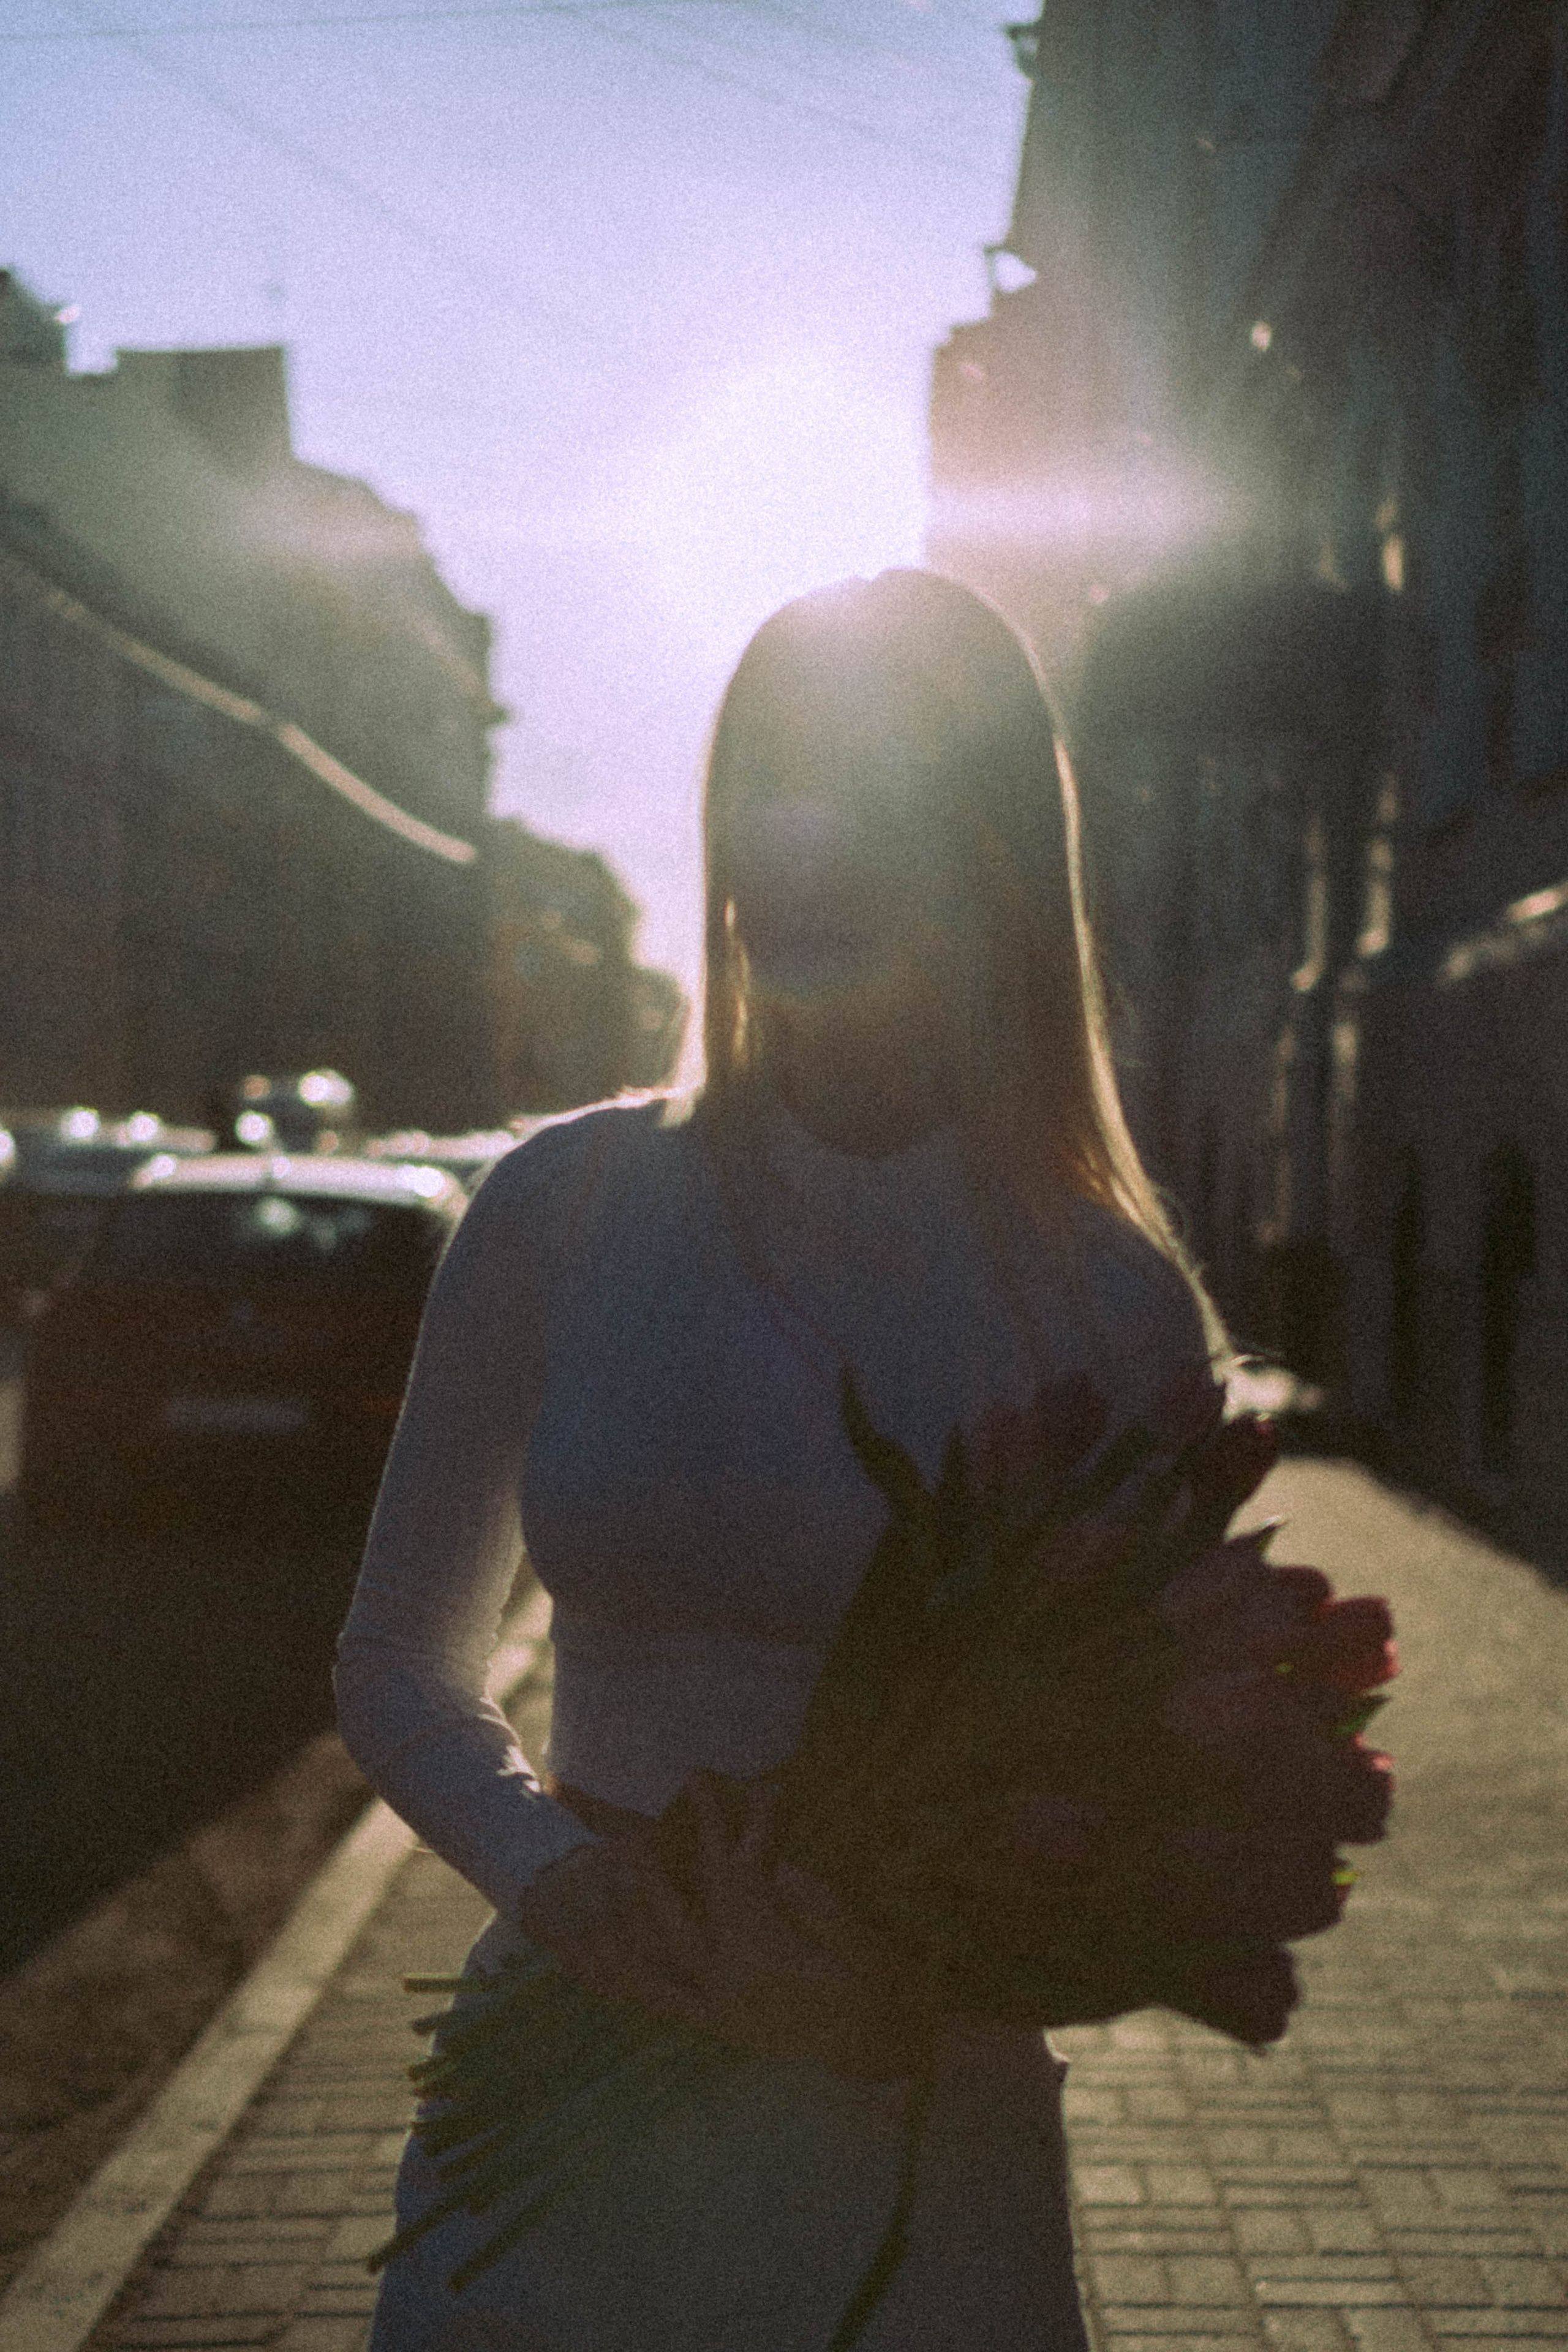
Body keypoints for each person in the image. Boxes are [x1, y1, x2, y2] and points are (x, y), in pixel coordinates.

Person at [336, 568, 1222, 2350]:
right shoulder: (565, 1205)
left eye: (880, 791)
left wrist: (920, 1976)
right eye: (771, 787)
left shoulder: (1108, 1296)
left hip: (923, 2143)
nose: (809, 848)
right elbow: (397, 1662)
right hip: (557, 2151)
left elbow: (1154, 1795)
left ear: (994, 852)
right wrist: (559, 1881)